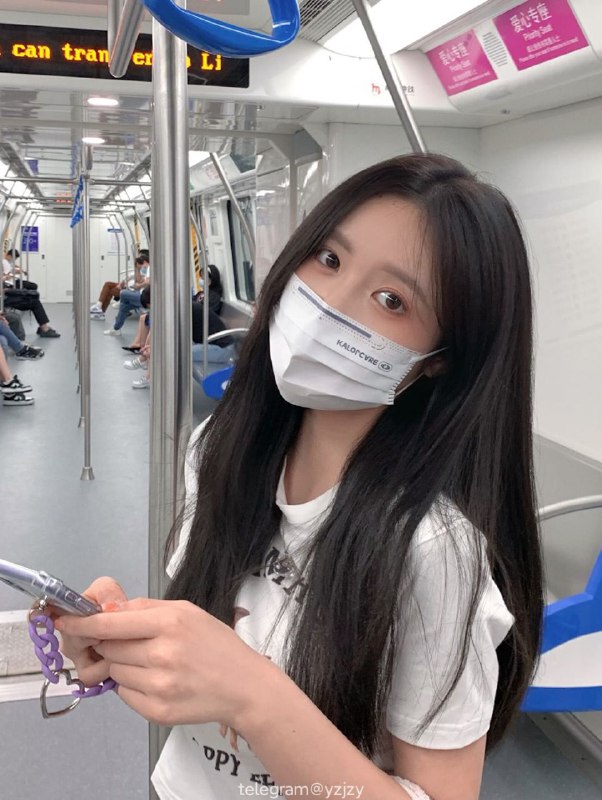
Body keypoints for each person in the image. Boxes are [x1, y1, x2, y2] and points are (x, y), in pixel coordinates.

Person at [55, 155, 544, 800]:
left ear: (438, 360)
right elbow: (214, 632)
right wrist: (122, 638)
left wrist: (253, 694)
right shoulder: (219, 450)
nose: (328, 304)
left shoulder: (432, 551)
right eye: (330, 260)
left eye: (391, 300)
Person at [91, 255, 150, 320]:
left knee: (110, 290)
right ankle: (99, 308)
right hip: (126, 285)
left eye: (142, 262)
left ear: (145, 262)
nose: (141, 265)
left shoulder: (147, 271)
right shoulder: (143, 271)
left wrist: (137, 270)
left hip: (130, 289)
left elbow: (140, 281)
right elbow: (130, 277)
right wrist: (122, 283)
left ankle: (99, 307)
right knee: (108, 284)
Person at [104, 259, 151, 335]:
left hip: (145, 298)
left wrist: (138, 286)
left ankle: (116, 327)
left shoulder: (150, 268)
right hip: (142, 295)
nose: (142, 266)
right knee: (125, 306)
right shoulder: (146, 271)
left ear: (145, 262)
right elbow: (140, 280)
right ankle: (116, 328)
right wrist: (137, 269)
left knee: (123, 293)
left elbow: (148, 282)